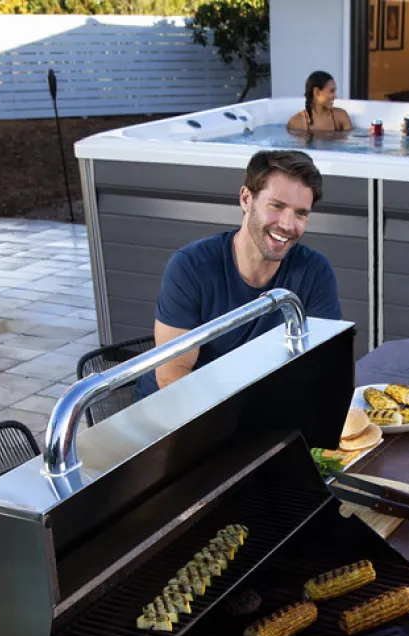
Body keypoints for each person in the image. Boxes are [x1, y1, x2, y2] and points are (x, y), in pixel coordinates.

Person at [134, 150, 341, 399]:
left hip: (259, 412)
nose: (287, 224)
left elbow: (324, 364)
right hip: (177, 414)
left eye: (301, 213)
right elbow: (172, 377)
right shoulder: (191, 267)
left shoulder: (314, 272)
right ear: (246, 199)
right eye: (277, 206)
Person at [287, 71, 353, 134]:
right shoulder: (296, 122)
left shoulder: (341, 116)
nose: (335, 97)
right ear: (317, 92)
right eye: (332, 91)